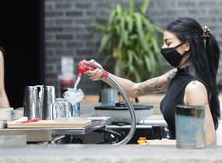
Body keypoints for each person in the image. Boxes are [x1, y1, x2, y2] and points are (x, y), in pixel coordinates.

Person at [85, 17, 221, 145]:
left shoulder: (194, 87)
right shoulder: (175, 75)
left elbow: (208, 142)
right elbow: (134, 90)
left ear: (186, 46)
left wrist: (162, 143)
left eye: (168, 43)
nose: (163, 48)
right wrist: (103, 74)